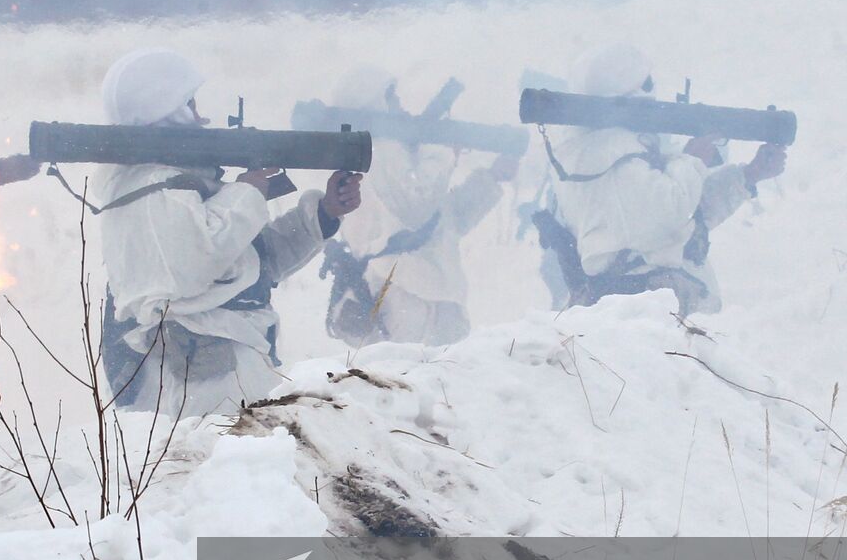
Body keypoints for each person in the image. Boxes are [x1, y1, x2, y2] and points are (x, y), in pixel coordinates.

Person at [97, 48, 362, 417]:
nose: (202, 115)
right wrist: (248, 191)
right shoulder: (153, 185)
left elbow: (252, 263)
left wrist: (325, 212)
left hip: (229, 362)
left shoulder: (180, 183)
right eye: (191, 103)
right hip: (202, 377)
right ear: (170, 109)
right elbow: (197, 261)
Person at [534, 45, 787, 315]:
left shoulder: (609, 149)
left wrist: (749, 175)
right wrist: (692, 160)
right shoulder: (607, 153)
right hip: (640, 311)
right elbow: (669, 213)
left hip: (647, 310)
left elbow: (689, 217)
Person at [320, 67, 518, 347]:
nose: (400, 106)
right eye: (393, 98)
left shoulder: (385, 150)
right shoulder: (381, 149)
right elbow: (418, 208)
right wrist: (440, 147)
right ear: (377, 102)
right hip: (406, 293)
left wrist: (490, 179)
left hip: (421, 291)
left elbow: (442, 224)